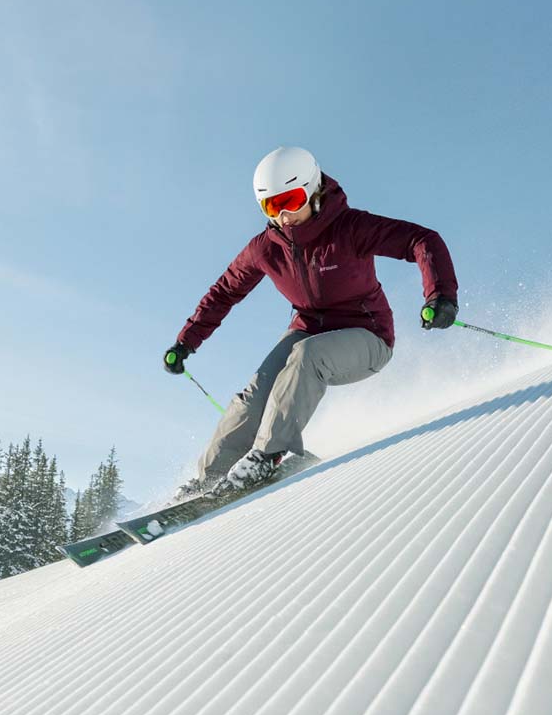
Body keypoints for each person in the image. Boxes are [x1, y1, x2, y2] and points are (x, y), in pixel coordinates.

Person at [164, 146, 459, 497]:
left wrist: (440, 295)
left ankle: (268, 456)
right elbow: (225, 291)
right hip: (308, 330)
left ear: (313, 189)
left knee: (307, 357)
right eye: (273, 206)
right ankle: (210, 479)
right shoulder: (265, 248)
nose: (285, 215)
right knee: (258, 389)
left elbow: (421, 240)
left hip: (367, 335)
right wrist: (187, 341)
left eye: (290, 199)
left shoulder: (350, 228)